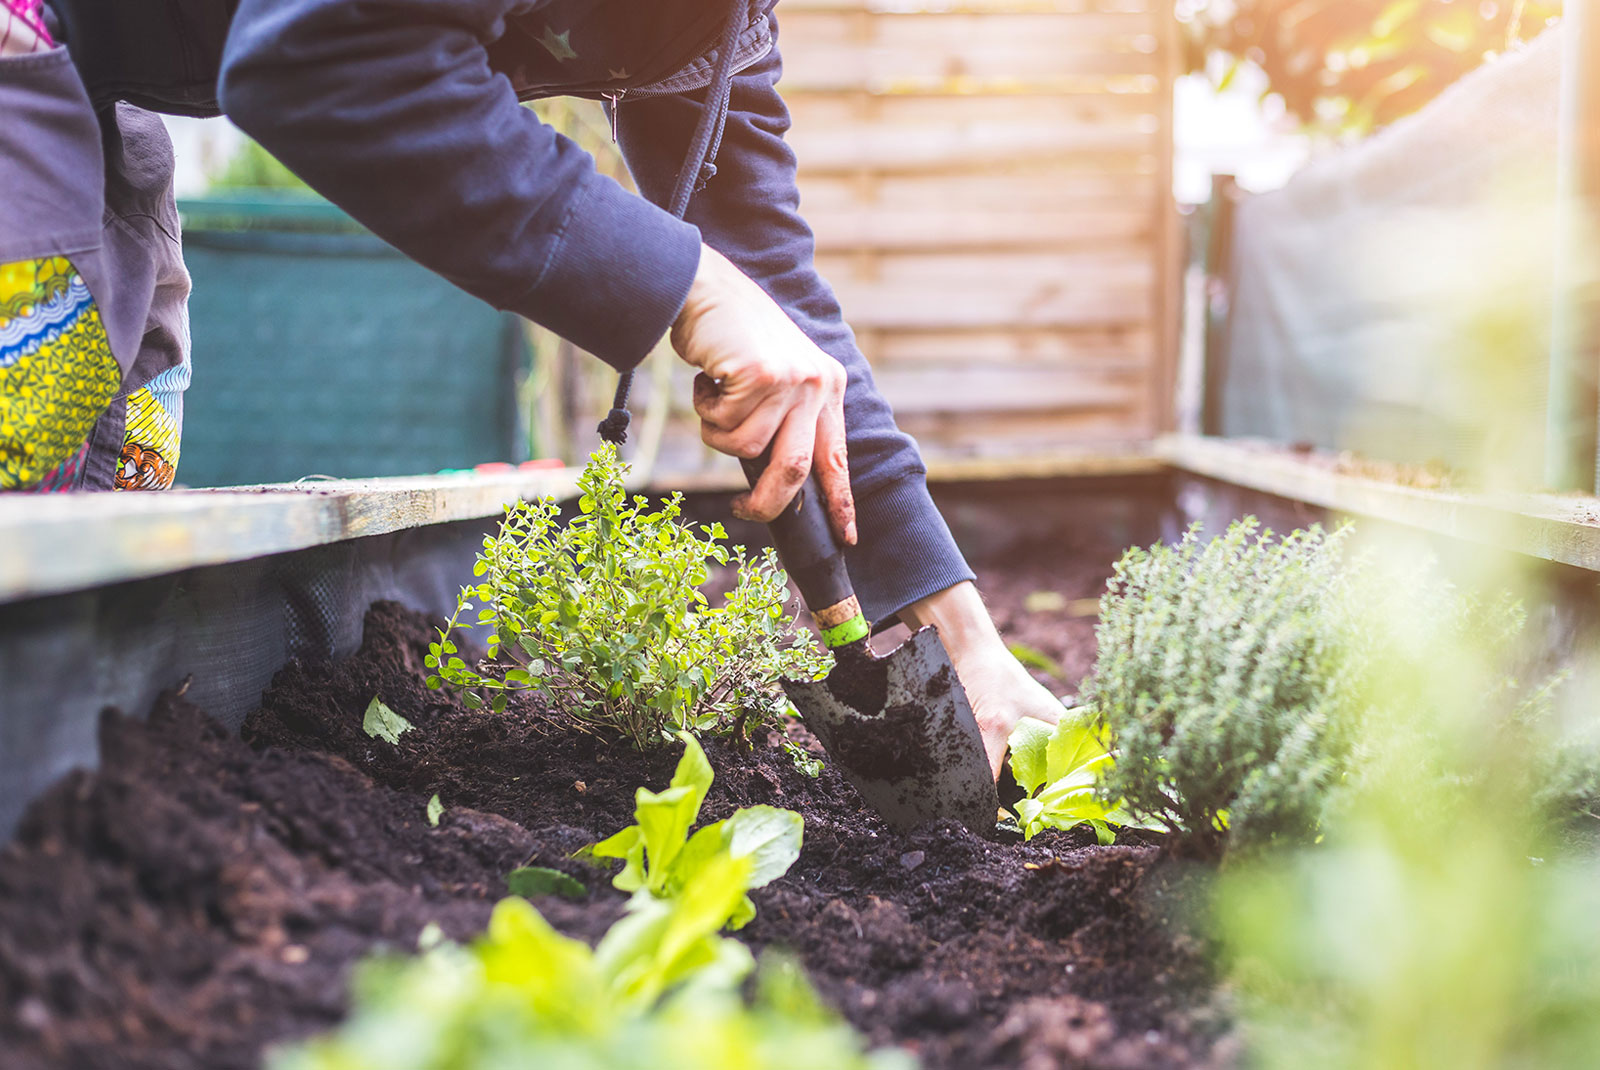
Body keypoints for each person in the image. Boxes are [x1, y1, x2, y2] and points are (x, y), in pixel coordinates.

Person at [3, 0, 1061, 771]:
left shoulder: (724, 22)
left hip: (103, 79)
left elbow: (777, 295)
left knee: (102, 528)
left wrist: (959, 631)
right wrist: (686, 284)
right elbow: (314, 58)